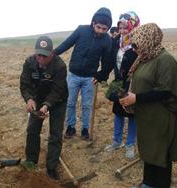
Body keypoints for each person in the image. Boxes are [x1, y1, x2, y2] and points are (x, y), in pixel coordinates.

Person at [120, 23, 177, 188]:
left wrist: (136, 99)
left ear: (148, 41)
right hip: (147, 115)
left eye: (136, 44)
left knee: (160, 153)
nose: (134, 48)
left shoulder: (165, 60)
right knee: (148, 150)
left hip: (162, 117)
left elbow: (166, 92)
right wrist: (127, 97)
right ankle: (148, 183)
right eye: (133, 45)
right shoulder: (144, 58)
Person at [53, 7, 112, 140]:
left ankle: (85, 129)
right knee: (70, 102)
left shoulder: (107, 40)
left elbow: (107, 62)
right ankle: (71, 127)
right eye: (99, 27)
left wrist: (101, 75)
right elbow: (66, 44)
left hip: (90, 79)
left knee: (86, 105)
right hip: (73, 75)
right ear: (93, 23)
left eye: (104, 29)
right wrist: (53, 54)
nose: (101, 31)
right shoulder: (81, 30)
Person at [20, 36, 68, 180]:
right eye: (38, 55)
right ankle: (31, 161)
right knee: (32, 130)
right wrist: (29, 99)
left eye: (44, 56)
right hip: (37, 98)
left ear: (52, 54)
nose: (40, 59)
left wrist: (47, 105)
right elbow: (24, 84)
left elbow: (57, 90)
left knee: (55, 134)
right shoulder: (29, 63)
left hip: (58, 100)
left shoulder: (60, 66)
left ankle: (51, 167)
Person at [104, 11, 140, 160]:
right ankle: (117, 141)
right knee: (118, 110)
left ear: (133, 26)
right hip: (119, 81)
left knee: (132, 114)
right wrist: (102, 75)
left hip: (133, 83)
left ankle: (130, 144)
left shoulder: (138, 43)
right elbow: (111, 62)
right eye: (121, 28)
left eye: (126, 27)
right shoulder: (117, 41)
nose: (123, 31)